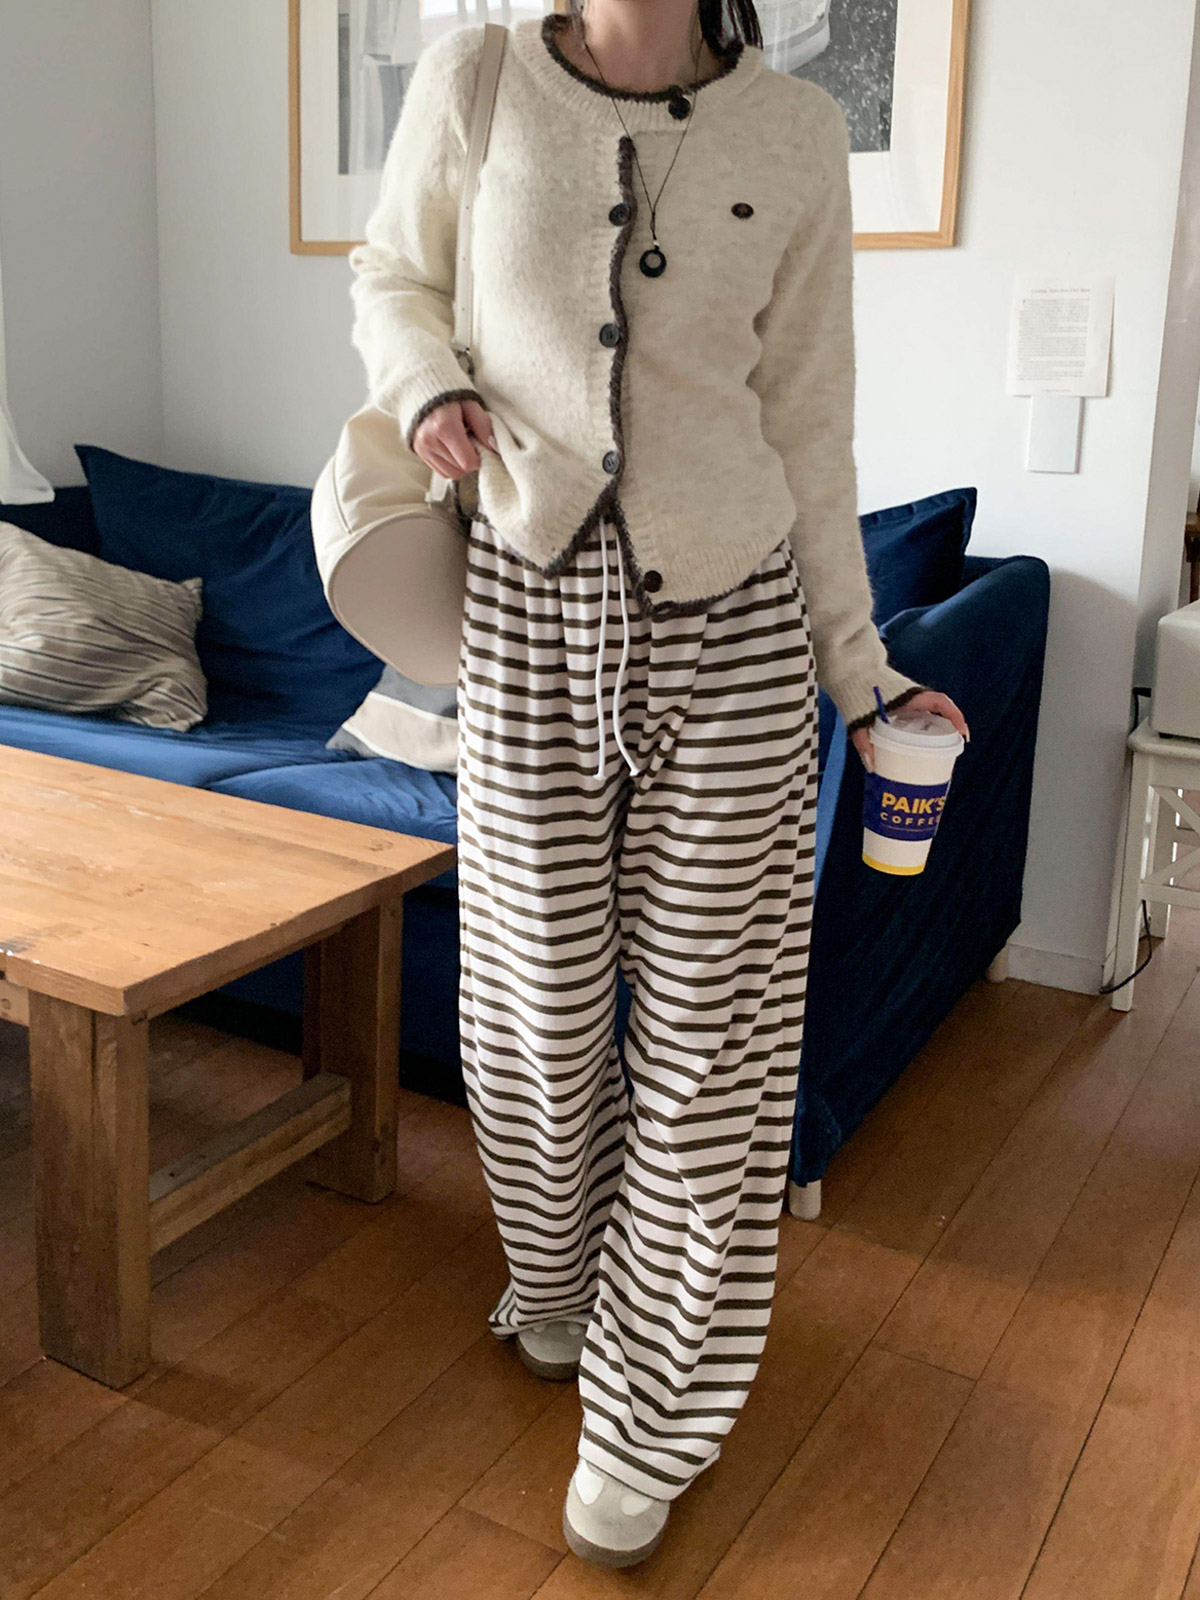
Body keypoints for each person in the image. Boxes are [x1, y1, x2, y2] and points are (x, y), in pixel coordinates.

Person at [347, 0, 969, 1569]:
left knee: (713, 1043)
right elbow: (393, 275)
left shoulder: (797, 130)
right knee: (533, 1016)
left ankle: (652, 1413)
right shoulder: (476, 78)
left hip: (738, 629)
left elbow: (810, 422)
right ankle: (558, 1284)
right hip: (525, 612)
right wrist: (424, 385)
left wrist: (864, 674)